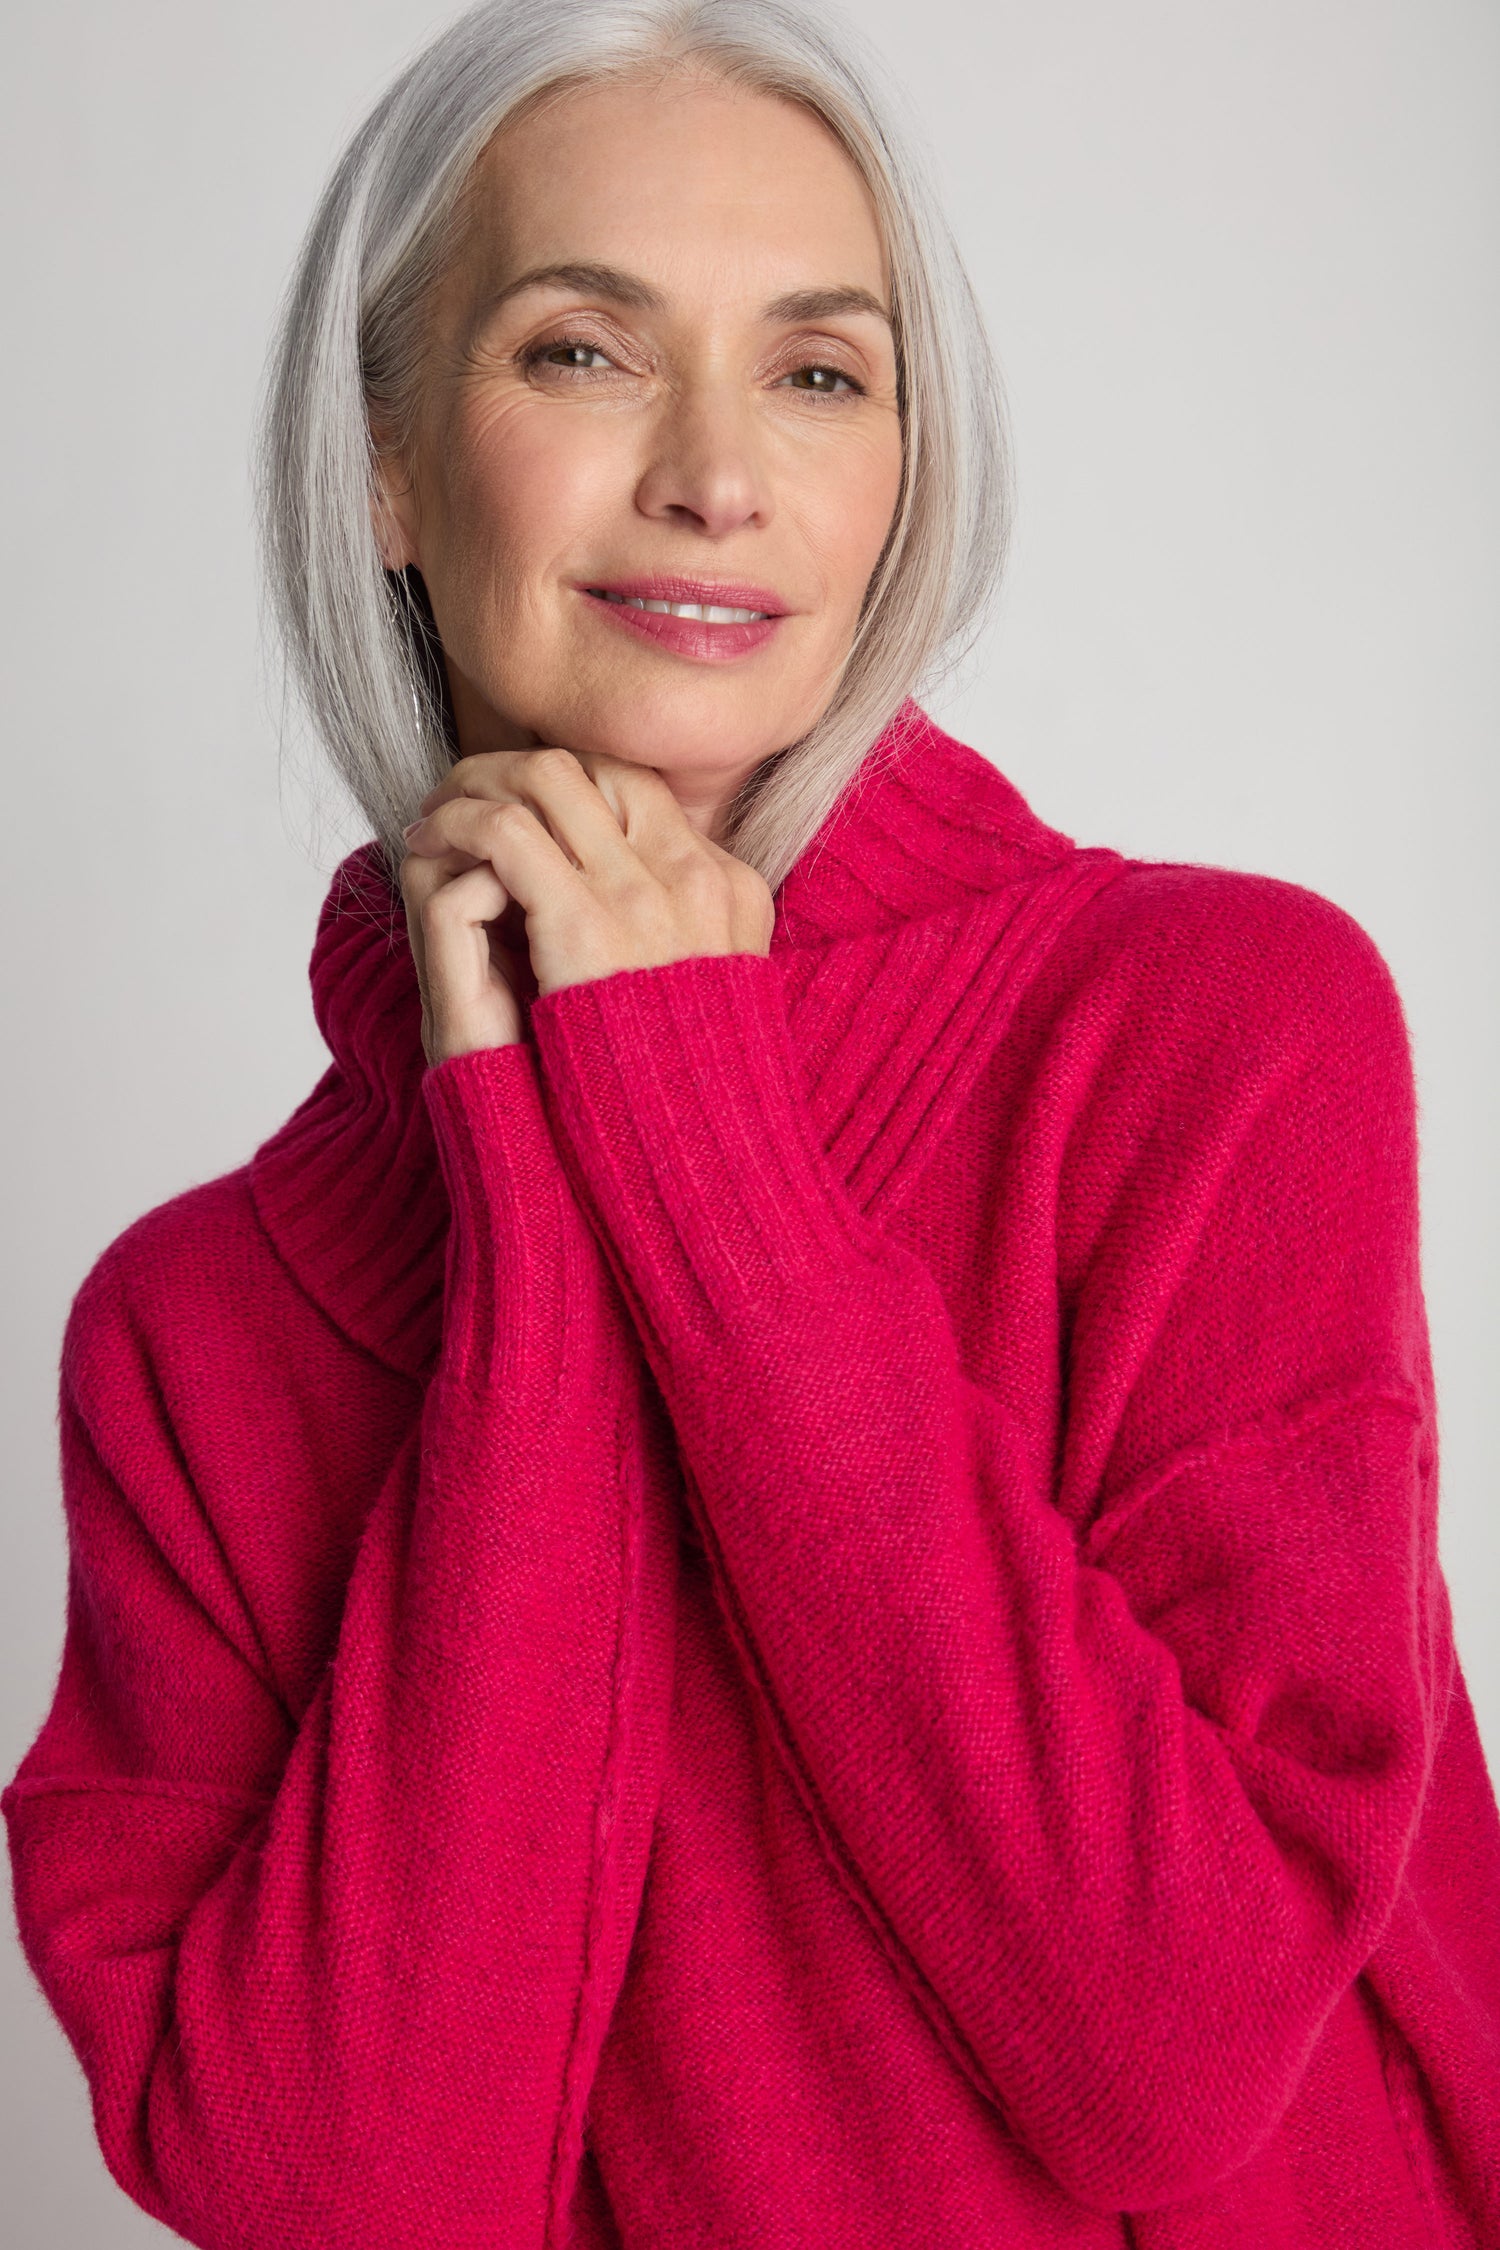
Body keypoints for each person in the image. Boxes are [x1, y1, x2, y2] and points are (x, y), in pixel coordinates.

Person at [4, 1, 1498, 2244]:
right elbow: (360, 2195)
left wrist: (698, 1138)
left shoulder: (1210, 1033)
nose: (721, 470)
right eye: (585, 350)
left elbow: (1167, 2060)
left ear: (908, 469)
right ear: (388, 460)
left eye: (821, 370)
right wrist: (531, 1184)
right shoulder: (193, 1335)